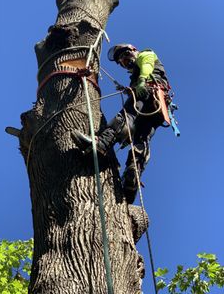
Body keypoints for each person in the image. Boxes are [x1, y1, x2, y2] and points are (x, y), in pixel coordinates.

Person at [72, 43, 171, 204]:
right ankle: (133, 175)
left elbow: (146, 65)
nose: (124, 62)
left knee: (126, 118)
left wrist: (141, 81)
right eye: (121, 62)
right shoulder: (137, 73)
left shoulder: (146, 54)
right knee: (142, 138)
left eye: (125, 57)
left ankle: (102, 144)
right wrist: (130, 88)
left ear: (133, 50)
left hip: (148, 93)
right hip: (159, 108)